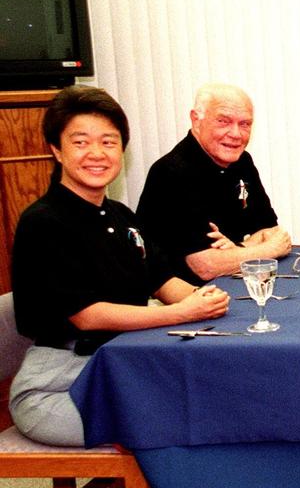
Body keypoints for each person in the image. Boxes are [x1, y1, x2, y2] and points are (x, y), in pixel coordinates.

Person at [10, 86, 229, 447]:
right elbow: (88, 317)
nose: (97, 153)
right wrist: (182, 314)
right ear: (56, 150)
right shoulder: (44, 222)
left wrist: (206, 298)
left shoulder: (120, 216)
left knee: (215, 398)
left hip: (122, 365)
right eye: (81, 142)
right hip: (60, 384)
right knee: (183, 427)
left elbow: (162, 279)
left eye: (109, 142)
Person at [136, 83, 291, 283]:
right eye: (223, 121)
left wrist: (238, 251)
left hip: (232, 284)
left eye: (245, 124)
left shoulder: (242, 162)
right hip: (183, 299)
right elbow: (205, 266)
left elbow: (271, 231)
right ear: (196, 120)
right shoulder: (172, 172)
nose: (236, 134)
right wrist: (269, 250)